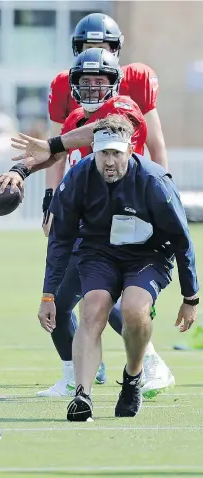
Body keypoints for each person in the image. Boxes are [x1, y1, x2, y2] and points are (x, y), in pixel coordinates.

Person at [0, 48, 174, 399]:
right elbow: (56, 153)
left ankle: (149, 364)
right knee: (60, 307)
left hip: (121, 227)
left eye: (99, 80)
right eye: (85, 81)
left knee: (108, 304)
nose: (92, 87)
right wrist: (20, 171)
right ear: (73, 84)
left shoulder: (125, 109)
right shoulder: (74, 118)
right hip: (85, 227)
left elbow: (99, 132)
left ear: (114, 83)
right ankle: (75, 376)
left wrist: (52, 141)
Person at [39, 114, 198, 421]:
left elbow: (182, 240)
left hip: (148, 254)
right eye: (103, 153)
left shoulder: (154, 182)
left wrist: (191, 297)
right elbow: (60, 241)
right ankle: (82, 396)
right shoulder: (77, 179)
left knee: (134, 310)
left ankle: (133, 376)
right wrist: (48, 294)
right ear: (94, 152)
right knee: (93, 308)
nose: (109, 161)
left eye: (116, 153)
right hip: (98, 252)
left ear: (129, 151)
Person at [43, 12, 170, 395]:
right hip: (87, 207)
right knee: (70, 298)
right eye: (86, 48)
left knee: (96, 296)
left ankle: (145, 360)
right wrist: (47, 197)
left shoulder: (130, 94)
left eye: (104, 48)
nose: (94, 57)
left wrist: (163, 196)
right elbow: (59, 153)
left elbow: (122, 129)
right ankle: (82, 371)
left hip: (127, 206)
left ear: (117, 51)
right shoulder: (71, 101)